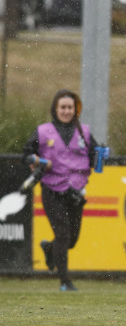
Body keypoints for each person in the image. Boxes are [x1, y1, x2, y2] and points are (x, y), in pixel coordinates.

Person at [23, 89, 98, 291]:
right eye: (62, 107)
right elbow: (27, 153)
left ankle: (49, 247)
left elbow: (94, 156)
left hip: (75, 192)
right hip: (52, 190)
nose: (66, 111)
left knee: (72, 239)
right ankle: (65, 281)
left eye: (70, 107)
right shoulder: (43, 131)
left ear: (75, 110)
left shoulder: (85, 132)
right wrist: (36, 161)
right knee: (63, 234)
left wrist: (99, 157)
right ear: (55, 109)